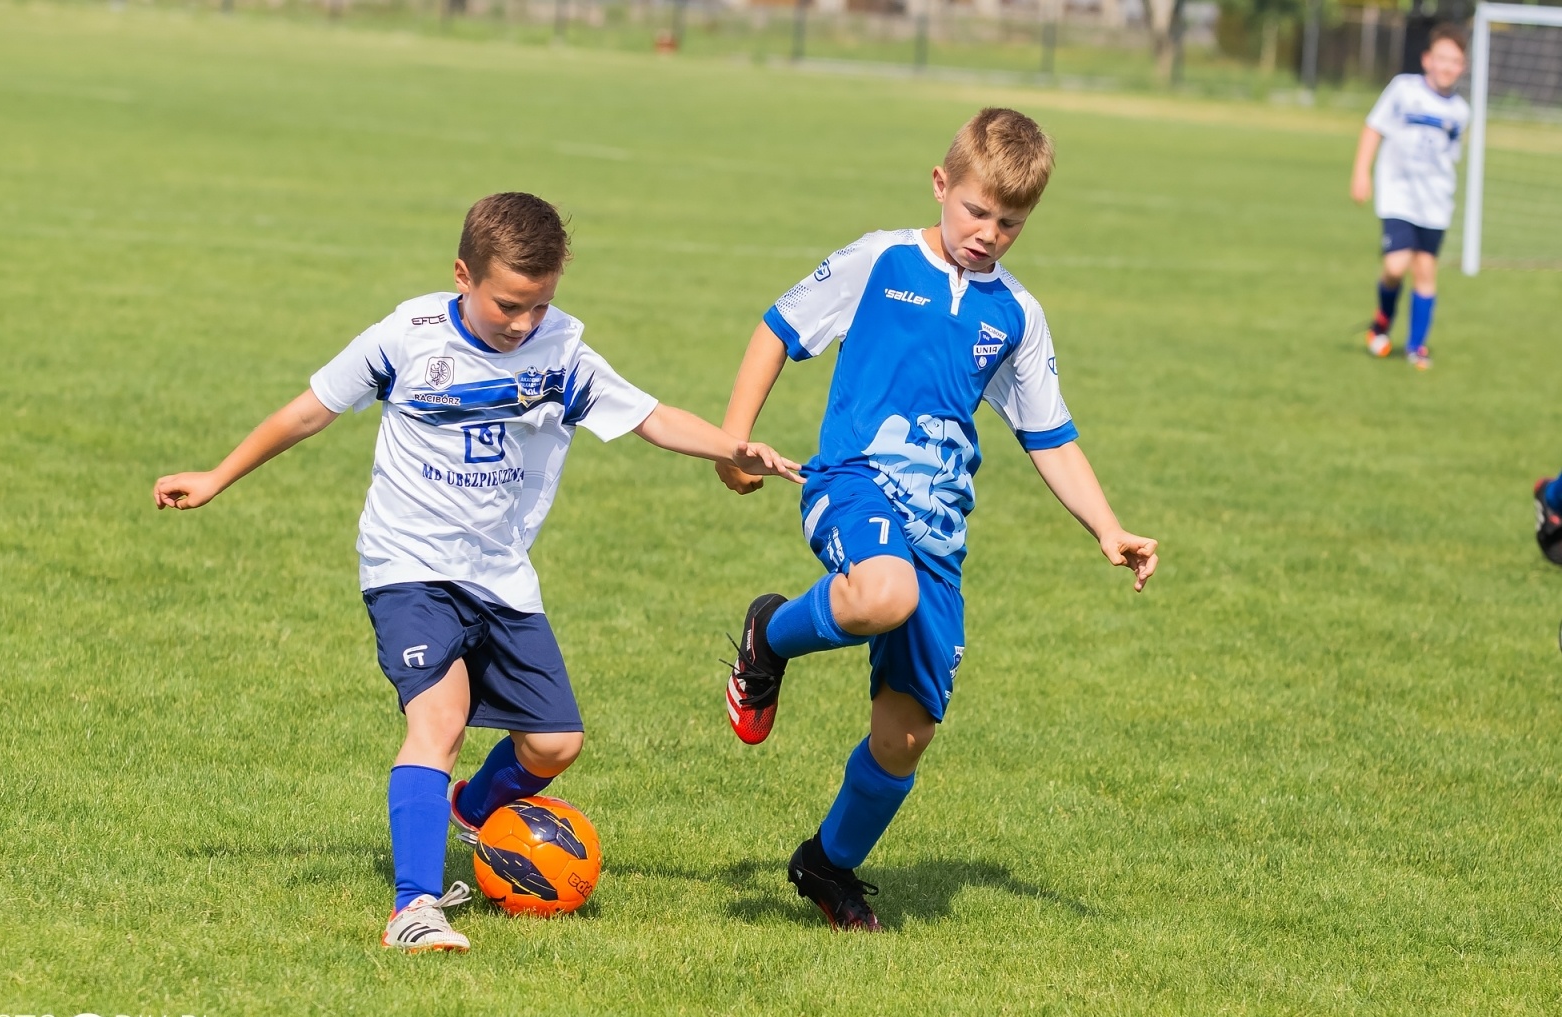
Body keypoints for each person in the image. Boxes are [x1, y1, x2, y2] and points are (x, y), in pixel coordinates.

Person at [154, 192, 803, 953]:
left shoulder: (561, 352)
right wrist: (217, 476)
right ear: (463, 274)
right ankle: (415, 907)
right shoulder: (407, 338)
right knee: (440, 720)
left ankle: (466, 812)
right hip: (408, 564)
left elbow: (650, 415)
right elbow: (308, 412)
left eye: (541, 304)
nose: (524, 322)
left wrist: (732, 446)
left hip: (499, 573)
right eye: (508, 305)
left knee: (555, 743)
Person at [714, 108, 1159, 931]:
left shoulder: (1016, 317)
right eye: (976, 212)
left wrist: (1107, 525)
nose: (988, 234)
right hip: (853, 484)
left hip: (940, 532)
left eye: (1010, 223)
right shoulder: (880, 259)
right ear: (941, 184)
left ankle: (827, 864)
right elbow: (777, 331)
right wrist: (733, 443)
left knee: (904, 739)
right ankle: (770, 636)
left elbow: (1049, 435)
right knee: (884, 594)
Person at [1350, 24, 1470, 371]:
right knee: (1395, 265)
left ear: (1462, 67)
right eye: (1442, 58)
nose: (1448, 67)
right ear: (1427, 59)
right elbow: (1374, 127)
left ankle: (1417, 347)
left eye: (1456, 61)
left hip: (1435, 202)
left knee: (1425, 270)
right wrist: (1361, 172)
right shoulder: (1403, 90)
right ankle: (1382, 320)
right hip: (1399, 195)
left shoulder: (1461, 111)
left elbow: (1450, 156)